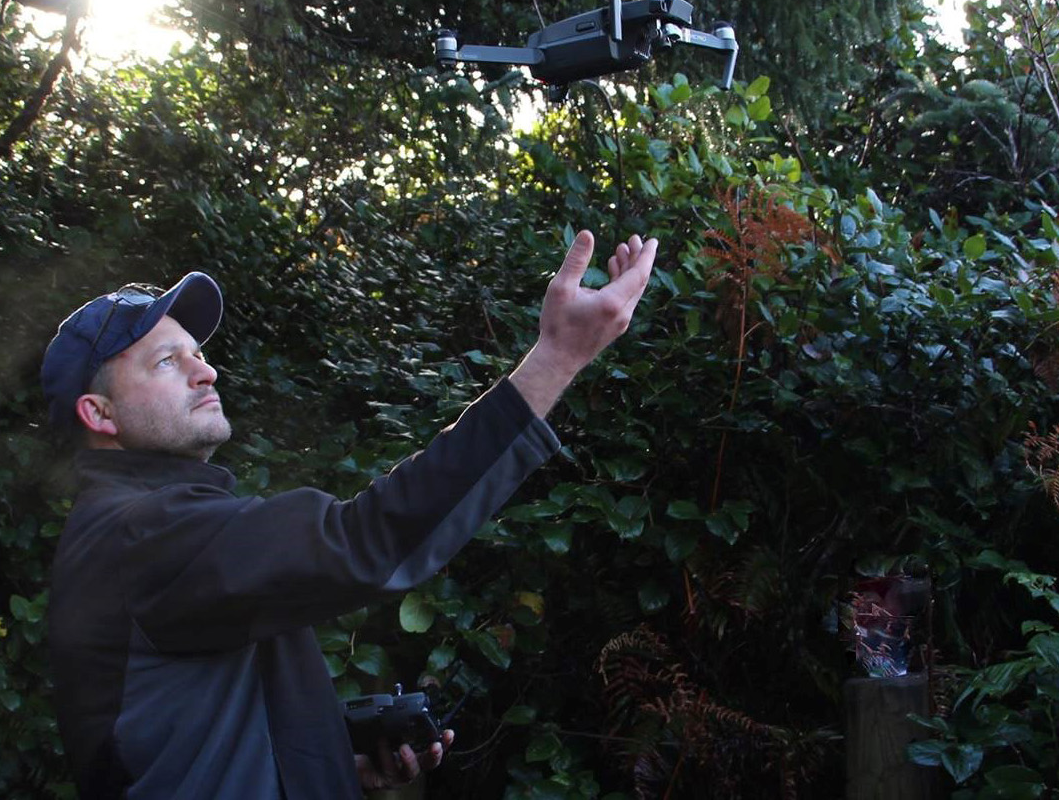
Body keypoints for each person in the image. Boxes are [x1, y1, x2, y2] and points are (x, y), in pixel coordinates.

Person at [40, 231, 658, 799]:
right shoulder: (145, 530)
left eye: (197, 353)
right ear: (99, 414)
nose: (207, 371)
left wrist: (334, 763)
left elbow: (197, 722)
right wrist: (557, 357)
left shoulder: (141, 528)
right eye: (167, 362)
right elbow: (365, 540)